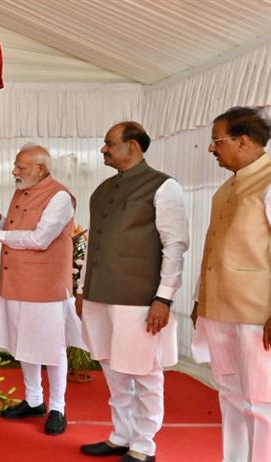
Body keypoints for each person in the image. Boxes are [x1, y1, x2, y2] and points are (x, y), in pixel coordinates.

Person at [76, 122, 189, 462]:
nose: (103, 150)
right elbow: (93, 243)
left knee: (144, 372)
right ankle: (121, 435)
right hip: (99, 295)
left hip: (139, 299)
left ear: (133, 146)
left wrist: (163, 297)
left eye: (109, 143)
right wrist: (82, 289)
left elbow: (175, 245)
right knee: (113, 369)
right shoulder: (103, 189)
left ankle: (144, 444)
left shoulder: (164, 186)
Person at [0, 144, 83, 436]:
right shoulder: (22, 190)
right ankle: (34, 400)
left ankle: (58, 407)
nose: (14, 171)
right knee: (24, 343)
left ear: (40, 169)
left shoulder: (60, 196)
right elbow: (19, 229)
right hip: (16, 282)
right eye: (16, 166)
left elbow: (40, 238)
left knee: (52, 347)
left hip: (45, 285)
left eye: (21, 167)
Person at [191, 107, 271, 462]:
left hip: (256, 314)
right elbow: (215, 246)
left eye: (217, 141)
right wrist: (199, 299)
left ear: (243, 141)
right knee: (230, 396)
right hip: (219, 310)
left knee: (261, 401)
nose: (211, 149)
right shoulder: (227, 187)